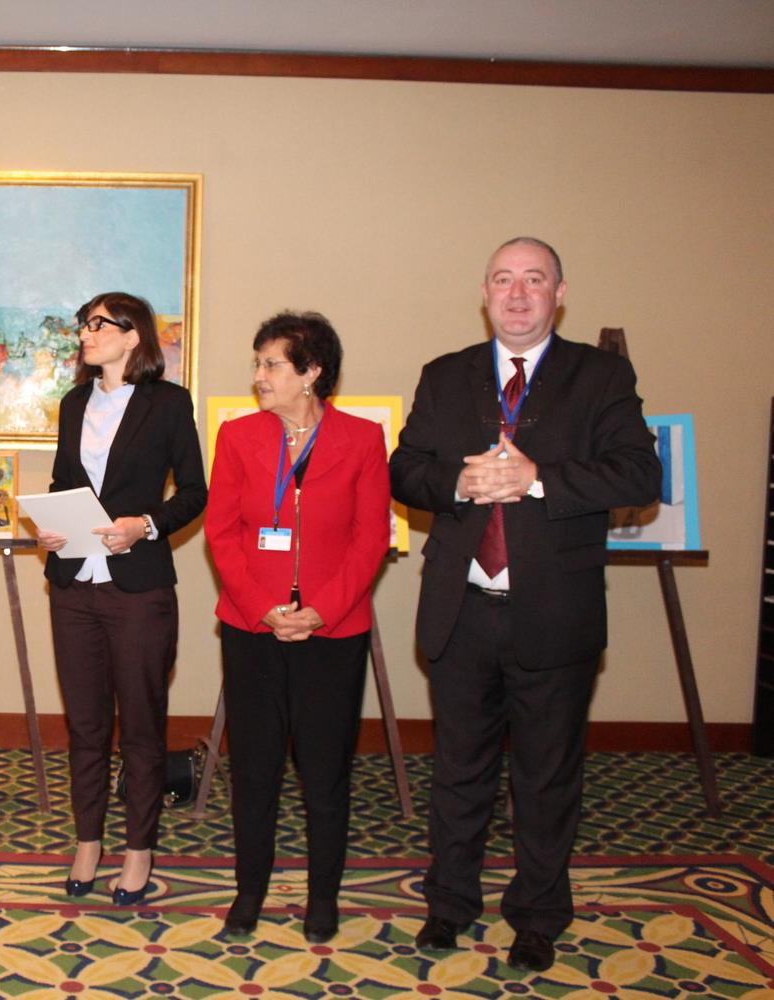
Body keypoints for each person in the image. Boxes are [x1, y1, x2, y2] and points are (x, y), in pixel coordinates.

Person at [390, 238, 661, 972]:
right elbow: (405, 469)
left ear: (559, 294)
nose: (517, 294)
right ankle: (449, 904)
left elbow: (640, 474)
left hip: (555, 612)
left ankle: (538, 916)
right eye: (503, 280)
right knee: (459, 770)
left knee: (546, 778)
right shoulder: (445, 375)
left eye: (533, 280)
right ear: (485, 293)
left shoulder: (601, 376)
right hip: (461, 609)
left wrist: (539, 479)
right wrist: (458, 483)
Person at [204, 311, 390, 940]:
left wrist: (322, 609)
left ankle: (322, 898)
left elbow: (370, 538)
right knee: (254, 769)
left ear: (311, 372)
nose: (259, 376)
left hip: (332, 633)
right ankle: (249, 891)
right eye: (258, 364)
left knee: (324, 771)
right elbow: (222, 533)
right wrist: (263, 606)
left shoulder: (362, 439)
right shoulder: (238, 437)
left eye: (272, 364)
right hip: (253, 629)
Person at [36, 292, 206, 905]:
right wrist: (49, 525)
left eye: (98, 324)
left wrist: (147, 525)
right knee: (84, 724)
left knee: (140, 724)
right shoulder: (73, 402)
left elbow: (194, 491)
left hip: (138, 588)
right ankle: (88, 841)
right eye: (83, 324)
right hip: (72, 584)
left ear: (133, 336)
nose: (86, 333)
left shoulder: (169, 403)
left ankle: (139, 848)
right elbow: (63, 481)